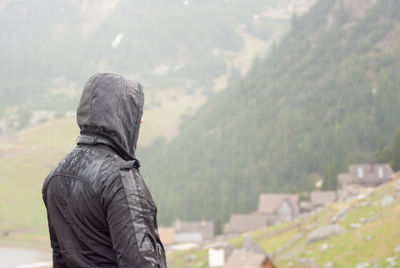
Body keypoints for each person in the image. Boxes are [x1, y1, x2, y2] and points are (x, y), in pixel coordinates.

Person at [42, 73, 166, 268]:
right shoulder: (121, 179)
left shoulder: (55, 175)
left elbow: (60, 258)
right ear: (122, 116)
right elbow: (140, 262)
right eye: (135, 113)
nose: (140, 121)